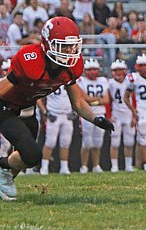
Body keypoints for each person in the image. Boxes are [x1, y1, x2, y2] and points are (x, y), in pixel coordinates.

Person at [0, 16, 114, 200]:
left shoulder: (70, 67)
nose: (69, 51)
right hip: (6, 106)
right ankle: (2, 169)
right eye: (63, 46)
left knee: (28, 158)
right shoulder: (31, 59)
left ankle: (4, 179)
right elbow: (4, 87)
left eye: (72, 45)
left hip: (27, 107)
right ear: (47, 44)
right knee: (32, 154)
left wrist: (96, 119)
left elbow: (77, 102)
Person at [77, 58, 110, 174]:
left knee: (97, 142)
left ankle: (96, 165)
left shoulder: (103, 81)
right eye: (89, 69)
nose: (92, 72)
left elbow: (106, 100)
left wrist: (93, 101)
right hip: (86, 114)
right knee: (87, 142)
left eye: (94, 69)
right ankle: (84, 166)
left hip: (100, 113)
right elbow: (83, 98)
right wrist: (97, 100)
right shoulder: (81, 81)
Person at [39, 86, 77, 175]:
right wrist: (45, 112)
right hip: (54, 114)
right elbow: (39, 98)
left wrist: (75, 111)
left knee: (65, 142)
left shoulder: (69, 81)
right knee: (50, 142)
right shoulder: (49, 82)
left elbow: (77, 97)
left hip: (67, 115)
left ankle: (64, 167)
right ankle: (44, 167)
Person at [109, 59, 135, 173]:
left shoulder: (130, 81)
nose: (118, 73)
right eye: (115, 70)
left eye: (120, 70)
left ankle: (128, 165)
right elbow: (108, 101)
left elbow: (134, 99)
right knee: (115, 142)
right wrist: (109, 115)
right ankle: (114, 166)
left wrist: (134, 115)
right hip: (116, 113)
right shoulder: (109, 83)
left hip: (128, 113)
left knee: (129, 141)